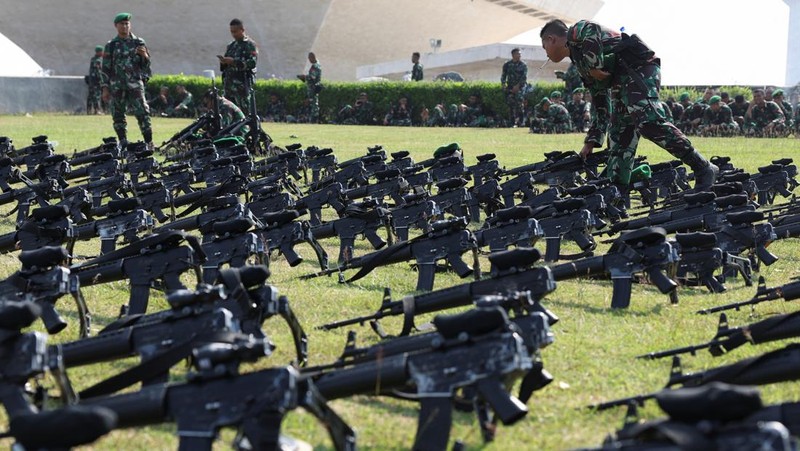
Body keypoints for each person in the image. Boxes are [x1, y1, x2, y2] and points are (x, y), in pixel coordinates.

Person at [540, 19, 717, 189]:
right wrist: (592, 141)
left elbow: (592, 29)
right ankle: (617, 192)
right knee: (620, 136)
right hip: (621, 81)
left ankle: (703, 167)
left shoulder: (577, 31)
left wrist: (594, 65)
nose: (546, 53)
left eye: (544, 47)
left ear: (551, 39)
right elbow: (600, 101)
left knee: (648, 122)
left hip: (638, 69)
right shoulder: (579, 61)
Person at [101, 12, 153, 147]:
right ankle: (123, 142)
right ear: (116, 26)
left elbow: (146, 66)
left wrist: (145, 56)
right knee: (118, 114)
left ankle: (149, 141)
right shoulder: (111, 45)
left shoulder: (138, 42)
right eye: (122, 24)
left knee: (143, 112)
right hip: (117, 85)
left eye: (127, 24)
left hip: (135, 84)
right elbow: (106, 68)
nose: (125, 26)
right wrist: (105, 88)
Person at [219, 18, 258, 116]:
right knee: (228, 112)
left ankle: (249, 131)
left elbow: (252, 63)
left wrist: (234, 62)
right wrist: (224, 62)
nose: (233, 34)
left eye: (235, 32)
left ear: (242, 30)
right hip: (229, 85)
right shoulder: (231, 46)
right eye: (231, 32)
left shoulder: (250, 45)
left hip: (241, 85)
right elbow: (224, 66)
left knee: (245, 112)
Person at [500, 48, 527, 127]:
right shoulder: (507, 64)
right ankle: (511, 123)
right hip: (510, 88)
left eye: (520, 54)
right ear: (513, 55)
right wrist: (503, 84)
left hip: (520, 88)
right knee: (510, 104)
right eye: (517, 54)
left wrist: (518, 86)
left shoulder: (523, 65)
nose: (519, 55)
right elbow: (503, 76)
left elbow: (524, 77)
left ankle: (521, 122)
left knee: (519, 105)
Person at [297, 52, 322, 123]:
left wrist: (304, 77)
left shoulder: (315, 66)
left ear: (312, 58)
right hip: (313, 88)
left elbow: (312, 77)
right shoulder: (317, 65)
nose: (309, 60)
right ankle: (312, 119)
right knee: (312, 103)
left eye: (309, 58)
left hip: (313, 88)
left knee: (314, 104)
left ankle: (314, 120)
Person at [86, 45, 104, 115]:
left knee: (90, 96)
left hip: (91, 81)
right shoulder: (98, 60)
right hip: (96, 81)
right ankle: (97, 110)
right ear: (99, 52)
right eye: (102, 51)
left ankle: (89, 111)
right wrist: (102, 81)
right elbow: (98, 72)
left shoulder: (93, 59)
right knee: (97, 96)